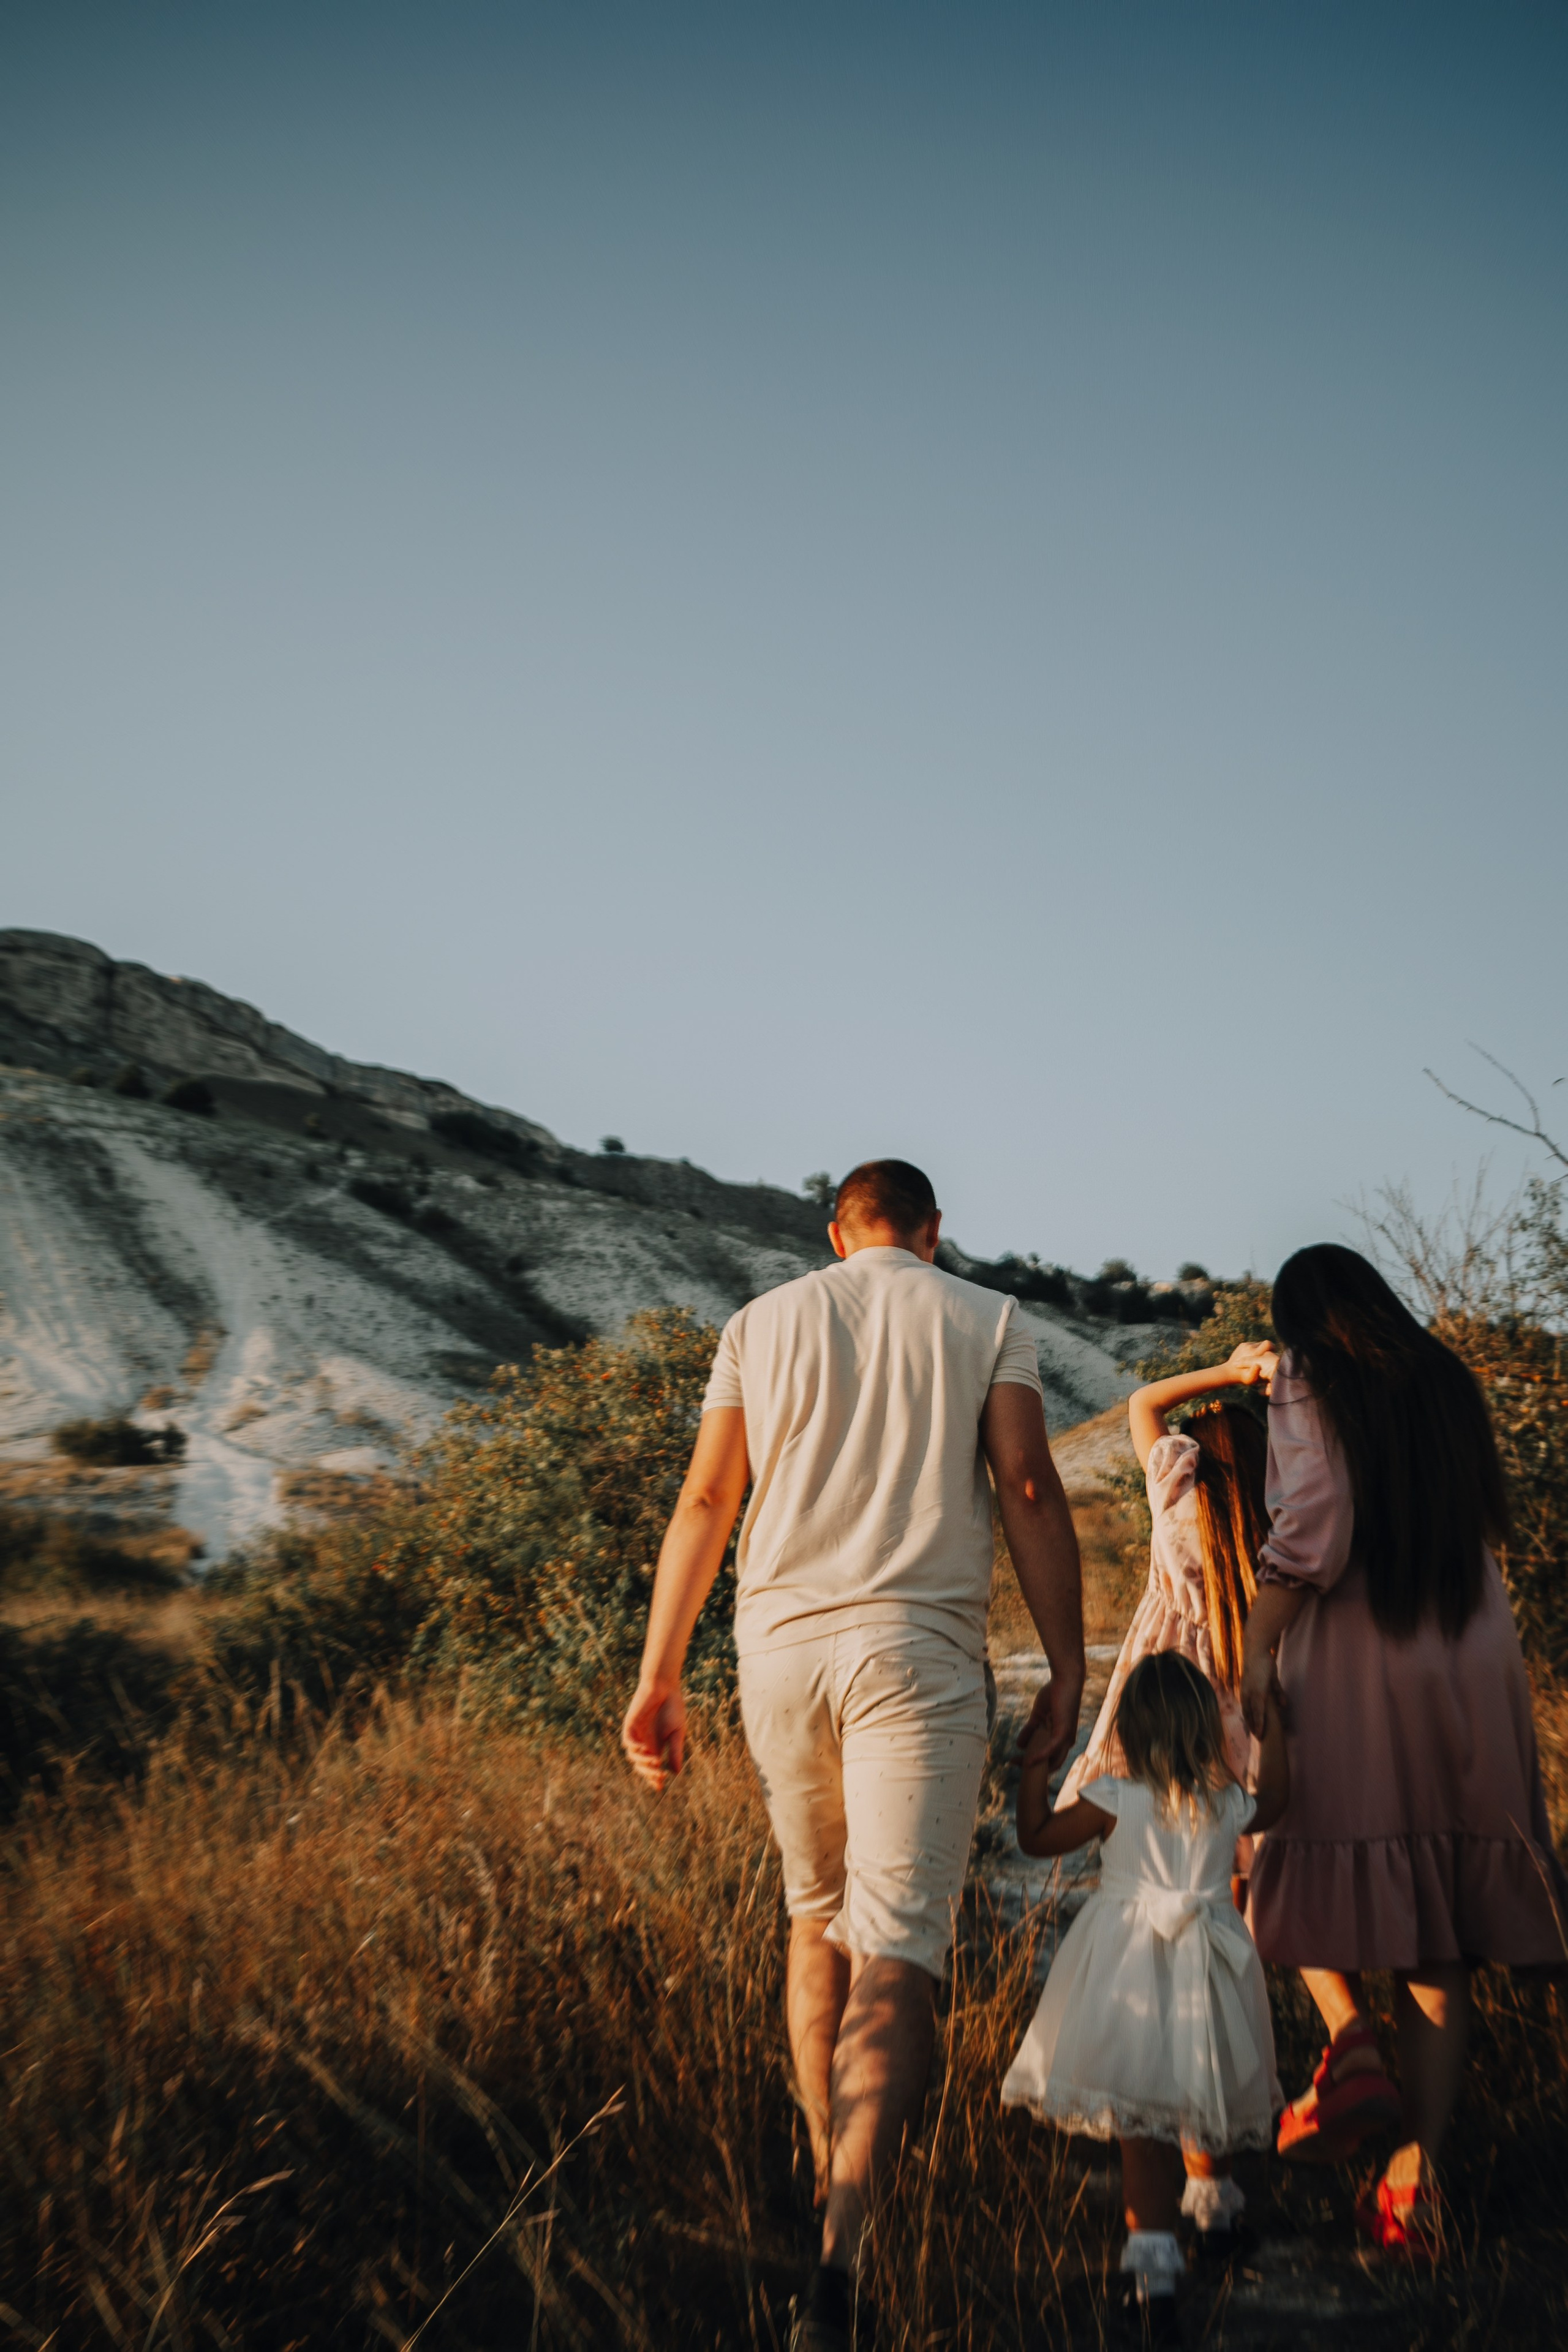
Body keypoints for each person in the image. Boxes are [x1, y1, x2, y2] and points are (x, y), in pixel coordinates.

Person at [620, 1159, 1086, 2352]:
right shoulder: (988, 1318)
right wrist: (1068, 1669)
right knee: (900, 1948)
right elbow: (1029, 1485)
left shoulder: (755, 1323)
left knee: (811, 1918)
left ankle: (835, 2174)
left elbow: (703, 1503)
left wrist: (657, 1676)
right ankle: (843, 2253)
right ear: (932, 1232)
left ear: (837, 1234)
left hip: (776, 1655)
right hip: (913, 1658)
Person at [1238, 1244, 1568, 2257]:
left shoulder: (1309, 1377)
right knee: (1438, 1931)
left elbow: (1319, 1525)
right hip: (1466, 1647)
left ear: (1301, 1323)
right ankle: (1414, 2184)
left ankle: (1350, 2047)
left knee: (1277, 1854)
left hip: (1361, 1650)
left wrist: (1260, 1643)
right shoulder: (1445, 1380)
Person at [1003, 1652, 1288, 2343]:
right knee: (1202, 2093)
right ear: (1204, 1728)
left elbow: (1035, 1838)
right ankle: (1215, 2220)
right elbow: (1277, 1805)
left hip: (1126, 1971)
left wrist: (1034, 1764)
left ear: (1127, 1729)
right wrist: (1273, 1729)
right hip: (1212, 1968)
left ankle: (1154, 2276)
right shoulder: (1225, 1803)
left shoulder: (1113, 1800)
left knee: (1142, 2131)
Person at [1056, 1352, 1272, 2253]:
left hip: (1154, 1736)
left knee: (1154, 1943)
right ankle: (1210, 2190)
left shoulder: (1177, 1505)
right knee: (1215, 1956)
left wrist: (1226, 1370)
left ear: (1196, 1464)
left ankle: (1178, 2212)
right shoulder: (1277, 1543)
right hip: (1239, 1748)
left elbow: (1142, 1401)